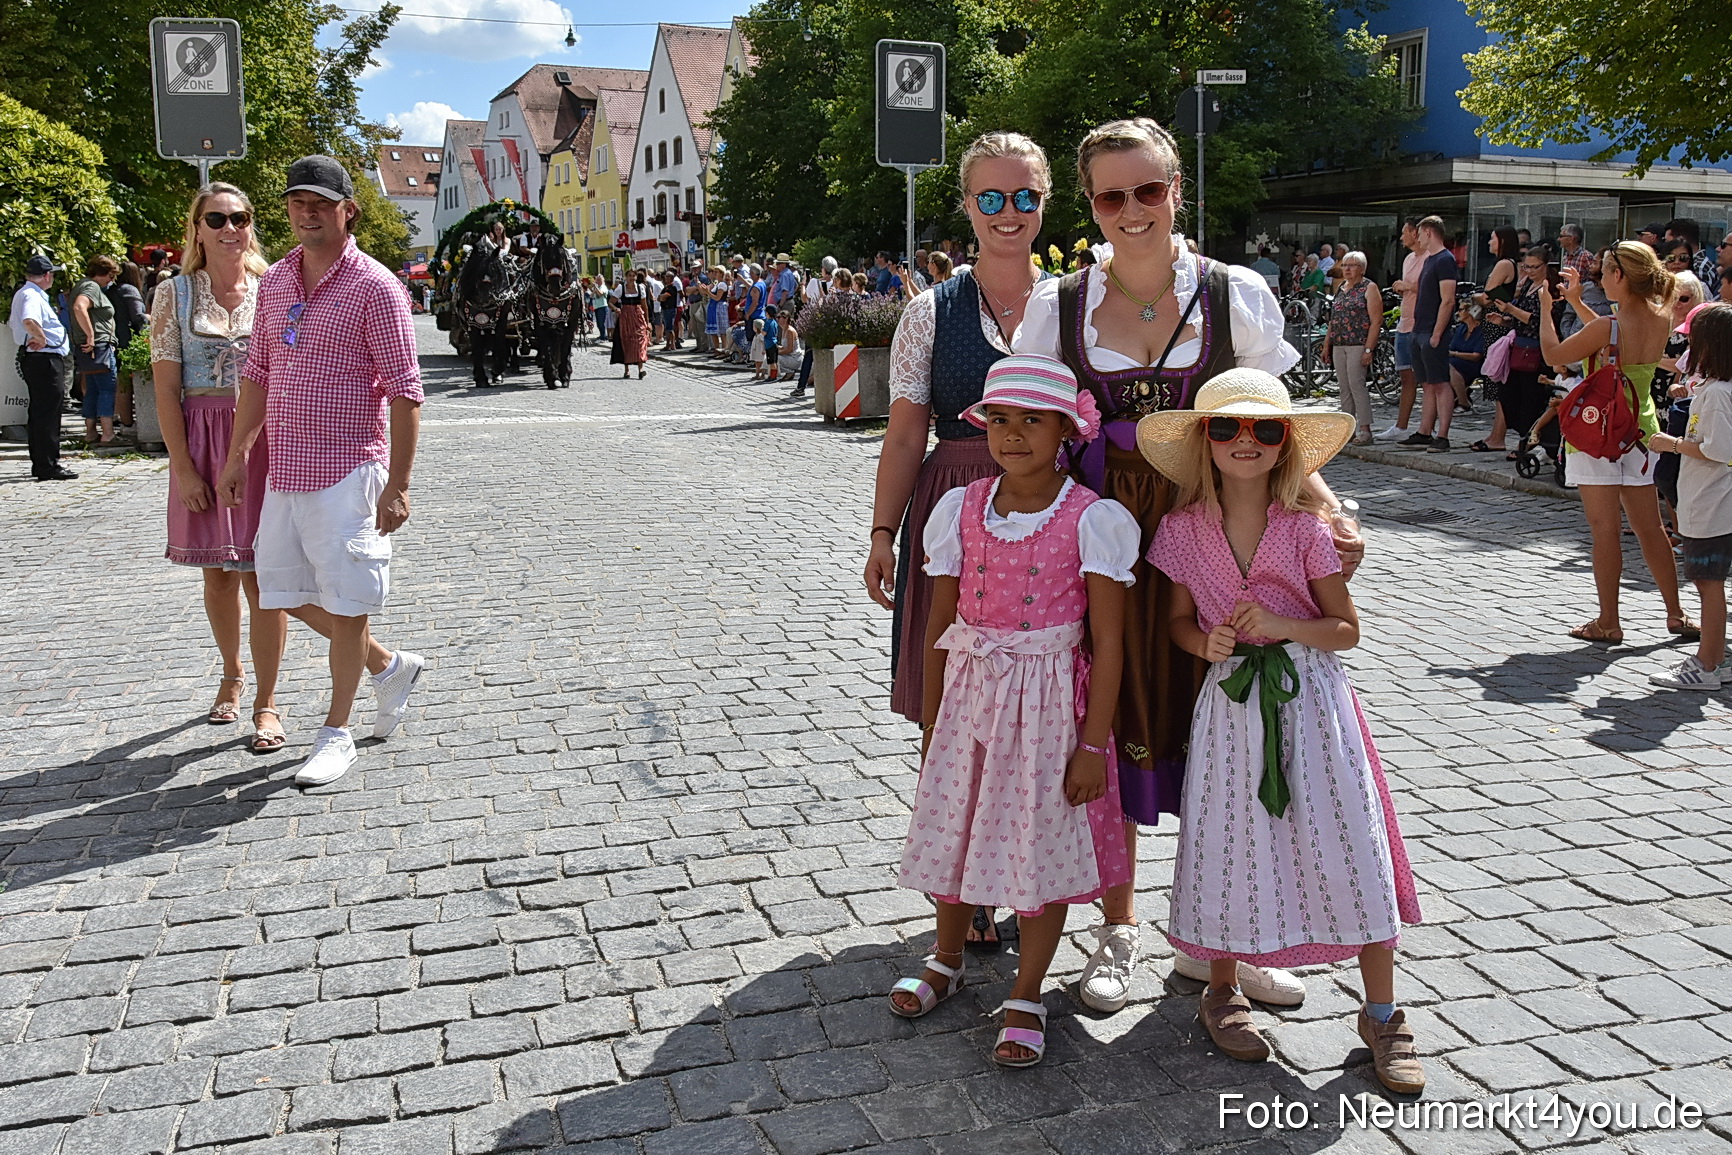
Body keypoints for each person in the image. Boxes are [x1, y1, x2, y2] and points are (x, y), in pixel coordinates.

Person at [1015, 117, 1353, 1014]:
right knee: (1116, 713)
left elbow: (1270, 425)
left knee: (1236, 729)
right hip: (1108, 540)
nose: (1132, 210)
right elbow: (1037, 432)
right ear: (1090, 205)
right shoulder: (1058, 306)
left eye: (1149, 190)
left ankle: (1231, 936)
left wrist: (1326, 508)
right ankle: (1118, 927)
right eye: (1110, 195)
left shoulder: (1232, 294)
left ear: (1176, 192)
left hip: (1221, 532)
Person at [1140, 368, 1423, 1094]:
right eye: (1228, 427)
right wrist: (1200, 642)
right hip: (1230, 711)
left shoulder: (1305, 528)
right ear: (1205, 440)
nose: (1246, 440)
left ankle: (1383, 1011)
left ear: (1285, 442)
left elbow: (1345, 629)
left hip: (1314, 705)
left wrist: (1282, 625)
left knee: (1349, 840)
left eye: (1265, 428)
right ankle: (1222, 986)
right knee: (1228, 839)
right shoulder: (1179, 530)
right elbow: (1176, 618)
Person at [890, 355, 1134, 1068]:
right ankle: (945, 955)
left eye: (1033, 420)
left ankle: (1027, 989)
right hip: (970, 696)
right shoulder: (959, 509)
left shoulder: (1092, 520)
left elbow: (1110, 642)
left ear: (1066, 429)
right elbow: (939, 624)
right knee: (954, 825)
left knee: (1037, 840)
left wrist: (1092, 745)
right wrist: (934, 721)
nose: (1014, 434)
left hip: (1048, 704)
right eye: (1000, 419)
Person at [867, 132, 1054, 951]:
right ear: (968, 208)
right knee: (947, 709)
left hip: (1051, 515)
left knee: (1043, 704)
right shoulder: (929, 312)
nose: (1007, 214)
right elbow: (906, 434)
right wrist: (882, 531)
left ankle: (1028, 870)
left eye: (1023, 198)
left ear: (1045, 203)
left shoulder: (1076, 303)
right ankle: (961, 882)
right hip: (953, 509)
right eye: (991, 198)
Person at [216, 156, 426, 787]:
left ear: (346, 210)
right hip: (286, 470)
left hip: (348, 469)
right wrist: (235, 455)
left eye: (320, 203)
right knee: (280, 591)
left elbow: (406, 391)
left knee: (348, 601)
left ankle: (336, 734)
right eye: (297, 203)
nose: (307, 213)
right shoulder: (276, 280)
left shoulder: (376, 286)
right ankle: (389, 667)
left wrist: (399, 483)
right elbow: (258, 373)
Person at [150, 182, 289, 750]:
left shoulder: (276, 284)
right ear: (197, 229)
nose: (231, 228)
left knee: (264, 575)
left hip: (267, 438)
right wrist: (182, 468)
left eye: (241, 217)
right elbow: (164, 392)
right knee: (217, 572)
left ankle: (267, 701)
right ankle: (231, 675)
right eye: (217, 219)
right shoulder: (174, 295)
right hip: (203, 437)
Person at [1539, 240, 1691, 645]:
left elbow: (1556, 353)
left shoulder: (1608, 325)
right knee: (1651, 530)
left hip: (1598, 433)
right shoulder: (1660, 317)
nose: (1600, 278)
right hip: (1640, 432)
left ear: (1619, 276)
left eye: (1605, 271)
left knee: (1605, 529)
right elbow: (1609, 339)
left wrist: (1546, 308)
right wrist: (1577, 303)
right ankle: (1675, 613)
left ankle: (1609, 620)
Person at [1649, 305, 1732, 687]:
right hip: (1714, 502)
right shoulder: (1715, 390)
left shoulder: (1717, 394)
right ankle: (1716, 658)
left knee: (1708, 586)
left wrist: (1673, 443)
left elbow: (1717, 449)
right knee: (1711, 585)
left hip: (1710, 504)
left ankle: (1707, 665)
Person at [9, 254, 77, 481]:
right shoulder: (32, 295)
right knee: (48, 412)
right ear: (47, 275)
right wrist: (41, 337)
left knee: (41, 412)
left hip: (39, 358)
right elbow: (29, 320)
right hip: (44, 358)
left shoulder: (27, 293)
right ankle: (48, 464)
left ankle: (43, 462)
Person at [1397, 217, 1459, 452]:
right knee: (1427, 383)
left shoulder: (1445, 260)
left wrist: (1437, 333)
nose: (1419, 238)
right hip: (1419, 328)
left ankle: (1442, 435)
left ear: (1429, 233)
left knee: (1440, 383)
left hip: (1432, 330)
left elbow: (1448, 299)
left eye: (1421, 234)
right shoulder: (1430, 260)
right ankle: (1425, 430)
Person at [1654, 273, 1708, 528]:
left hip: (1684, 405)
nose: (1676, 304)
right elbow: (1682, 372)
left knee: (1674, 469)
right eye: (1672, 298)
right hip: (1659, 394)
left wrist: (1652, 359)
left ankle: (1682, 528)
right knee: (1662, 468)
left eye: (1683, 299)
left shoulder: (1700, 328)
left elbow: (1680, 366)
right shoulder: (1661, 321)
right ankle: (1666, 524)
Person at [1320, 250, 1381, 445]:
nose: (1347, 269)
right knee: (1344, 388)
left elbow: (1376, 320)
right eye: (1345, 265)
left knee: (1357, 385)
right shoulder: (1341, 288)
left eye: (1352, 265)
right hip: (1339, 343)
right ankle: (1348, 429)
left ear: (1362, 269)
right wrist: (1326, 344)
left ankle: (1365, 429)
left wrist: (1369, 349)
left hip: (1358, 343)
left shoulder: (1369, 288)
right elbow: (1334, 319)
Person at [1469, 226, 1521, 452]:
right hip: (1498, 323)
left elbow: (1488, 296)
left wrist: (1476, 297)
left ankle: (1497, 436)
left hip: (1497, 324)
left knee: (1497, 381)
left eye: (1492, 238)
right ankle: (1495, 434)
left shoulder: (1504, 264)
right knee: (1496, 382)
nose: (1489, 242)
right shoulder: (1509, 263)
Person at [1375, 218, 1424, 441]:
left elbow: (1434, 289)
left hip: (1421, 324)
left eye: (1405, 232)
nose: (1402, 237)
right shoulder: (1407, 259)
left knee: (1427, 379)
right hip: (1404, 322)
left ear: (1415, 233)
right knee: (1405, 375)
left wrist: (1409, 286)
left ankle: (1427, 427)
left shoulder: (1431, 259)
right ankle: (1401, 425)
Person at [70, 255, 121, 445]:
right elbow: (79, 307)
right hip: (99, 346)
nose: (111, 280)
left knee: (92, 389)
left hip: (89, 347)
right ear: (102, 273)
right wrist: (91, 335)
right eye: (110, 275)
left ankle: (91, 432)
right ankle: (108, 434)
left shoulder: (81, 284)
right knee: (107, 388)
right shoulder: (91, 287)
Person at [1447, 300, 1487, 419]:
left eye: (1461, 310)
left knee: (1450, 366)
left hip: (1477, 365)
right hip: (1458, 362)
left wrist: (1455, 354)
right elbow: (1451, 347)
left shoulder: (1483, 331)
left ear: (1472, 312)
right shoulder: (1461, 329)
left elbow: (1476, 356)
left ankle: (1464, 404)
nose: (1458, 313)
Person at [611, 270, 650, 379]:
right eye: (629, 276)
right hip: (625, 317)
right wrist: (615, 308)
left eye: (633, 276)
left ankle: (641, 369)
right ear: (626, 277)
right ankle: (627, 370)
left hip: (638, 317)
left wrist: (647, 322)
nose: (632, 278)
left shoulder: (640, 288)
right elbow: (610, 302)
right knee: (626, 341)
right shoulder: (621, 288)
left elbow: (644, 306)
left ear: (636, 277)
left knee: (640, 341)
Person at [762, 306, 782, 382]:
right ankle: (773, 375)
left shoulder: (768, 322)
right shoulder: (774, 322)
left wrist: (760, 330)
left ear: (768, 313)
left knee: (771, 362)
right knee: (774, 361)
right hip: (774, 342)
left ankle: (772, 376)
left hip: (769, 343)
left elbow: (764, 333)